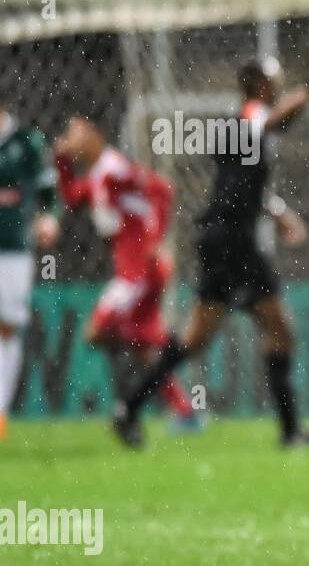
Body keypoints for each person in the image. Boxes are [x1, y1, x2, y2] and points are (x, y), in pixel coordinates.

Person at [113, 53, 309, 448]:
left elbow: (238, 188)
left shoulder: (241, 130)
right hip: (232, 241)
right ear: (260, 86)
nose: (280, 88)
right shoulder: (253, 117)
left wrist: (278, 213)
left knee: (198, 337)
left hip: (224, 238)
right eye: (276, 82)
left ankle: (128, 409)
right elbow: (276, 123)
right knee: (279, 329)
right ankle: (290, 432)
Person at [52, 117, 199, 428]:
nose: (71, 140)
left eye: (76, 134)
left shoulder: (114, 168)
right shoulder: (98, 176)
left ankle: (170, 345)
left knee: (97, 333)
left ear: (96, 134)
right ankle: (185, 412)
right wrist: (62, 162)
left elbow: (162, 189)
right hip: (137, 270)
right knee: (143, 348)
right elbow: (73, 197)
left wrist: (156, 240)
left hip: (139, 273)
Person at [0, 99, 59, 439]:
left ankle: (1, 408)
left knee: (7, 327)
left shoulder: (26, 142)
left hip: (13, 249)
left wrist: (49, 217)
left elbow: (48, 190)